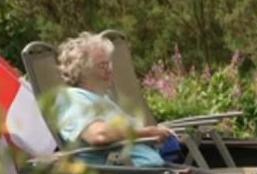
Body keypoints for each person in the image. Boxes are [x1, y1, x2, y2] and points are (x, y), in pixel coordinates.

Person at [55, 32, 173, 166]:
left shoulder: (102, 99)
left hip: (155, 171)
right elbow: (99, 135)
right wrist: (147, 133)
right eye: (102, 65)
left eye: (109, 64)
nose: (110, 70)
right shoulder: (72, 99)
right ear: (82, 72)